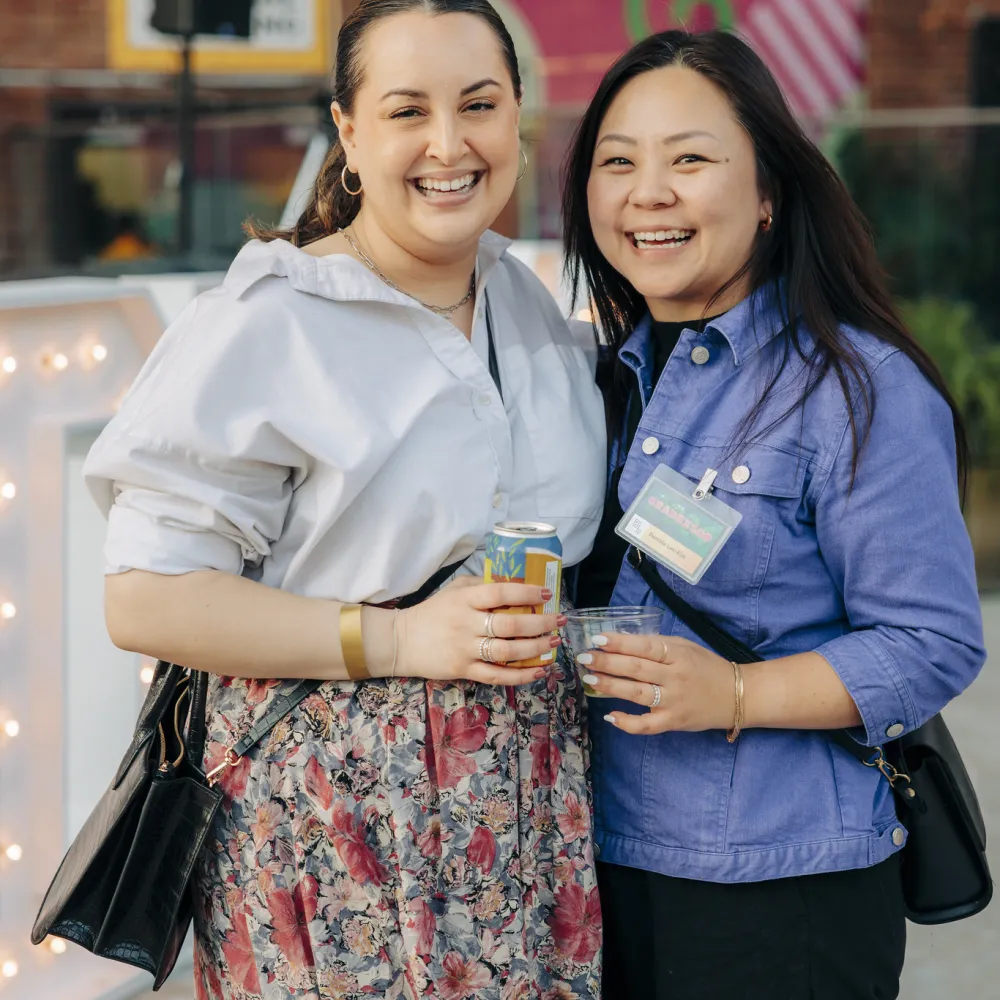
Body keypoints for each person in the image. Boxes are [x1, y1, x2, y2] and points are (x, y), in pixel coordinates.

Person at [83, 2, 605, 996]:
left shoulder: (523, 297)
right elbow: (144, 597)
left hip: (525, 813)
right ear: (351, 132)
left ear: (518, 116)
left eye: (479, 104)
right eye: (407, 110)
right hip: (334, 826)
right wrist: (403, 640)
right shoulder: (271, 317)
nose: (449, 144)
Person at [563, 29, 985, 1000]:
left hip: (776, 880)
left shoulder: (854, 389)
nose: (647, 191)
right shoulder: (591, 378)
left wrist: (738, 696)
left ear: (767, 196)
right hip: (596, 859)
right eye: (616, 161)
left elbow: (932, 641)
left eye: (690, 158)